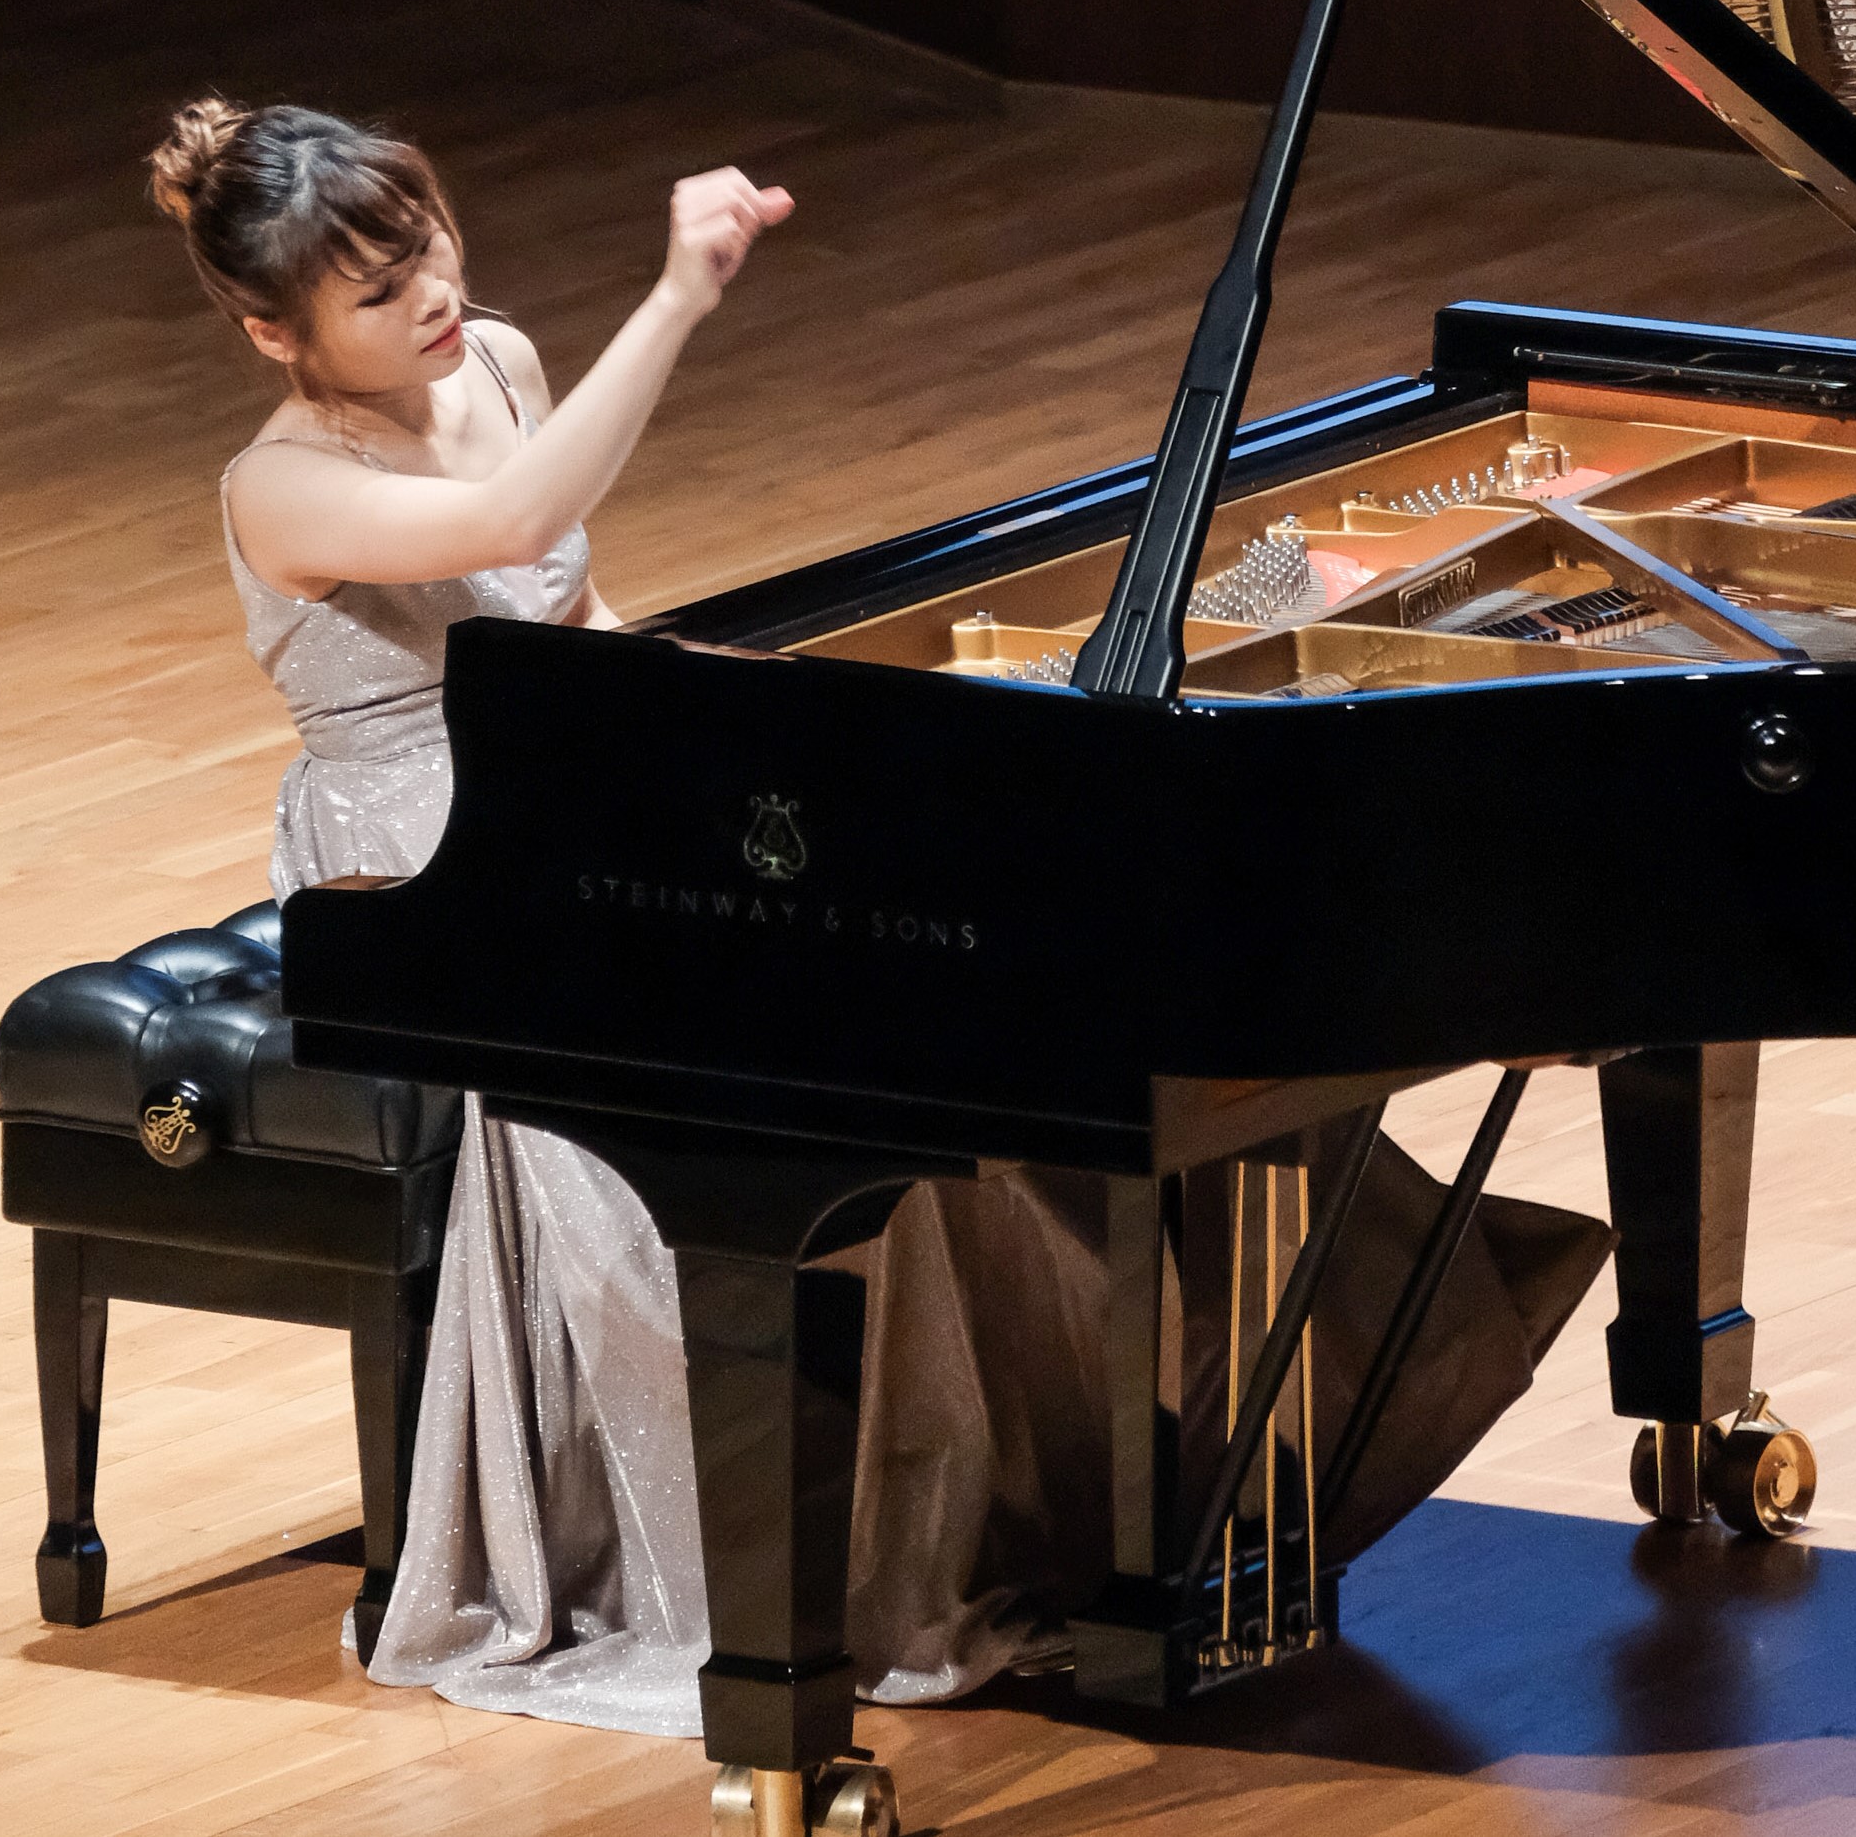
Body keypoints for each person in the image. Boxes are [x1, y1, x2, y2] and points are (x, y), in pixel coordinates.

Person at [146, 95, 1610, 1736]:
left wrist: (725, 700)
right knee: (799, 1099)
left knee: (944, 1030)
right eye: (375, 289)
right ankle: (839, 1560)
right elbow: (512, 529)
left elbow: (572, 609)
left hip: (583, 782)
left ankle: (1123, 1495)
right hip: (428, 858)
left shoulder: (496, 358)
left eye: (428, 244)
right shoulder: (280, 484)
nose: (431, 291)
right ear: (273, 332)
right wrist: (679, 294)